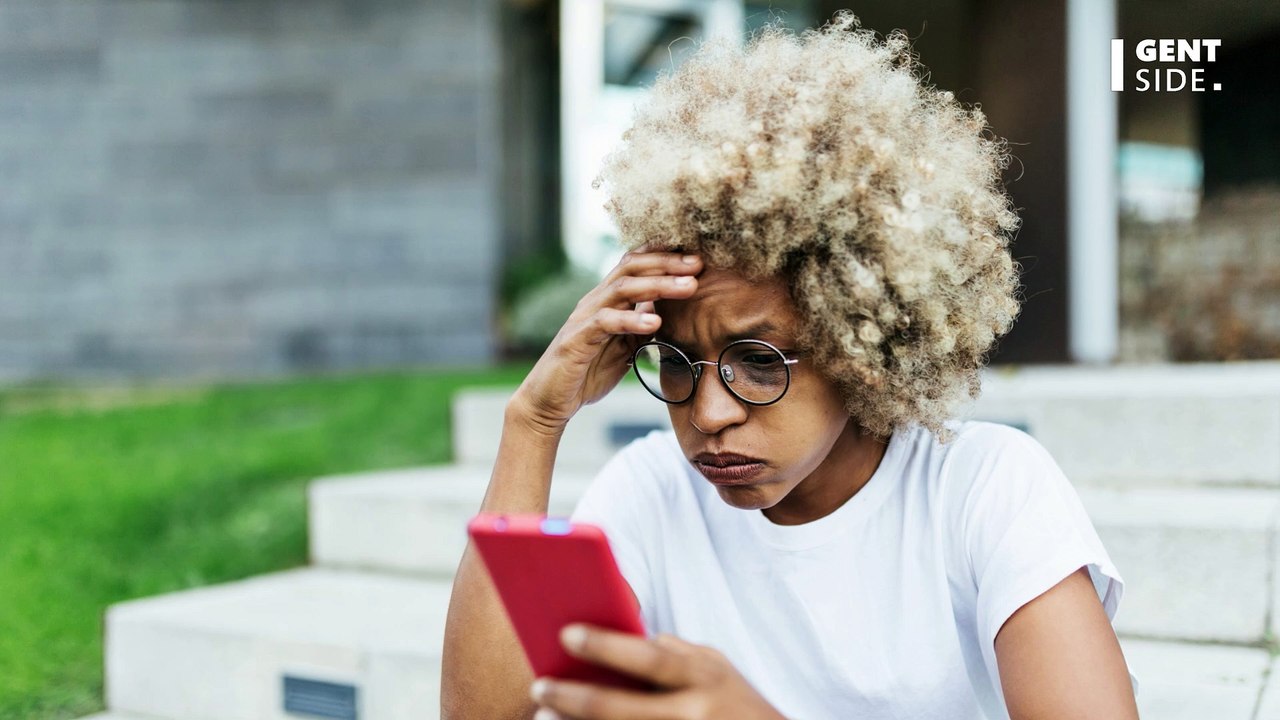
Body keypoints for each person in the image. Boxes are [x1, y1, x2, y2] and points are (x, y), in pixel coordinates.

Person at [442, 13, 1140, 720]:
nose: (709, 414)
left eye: (758, 361)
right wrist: (533, 422)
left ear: (860, 345)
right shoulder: (653, 493)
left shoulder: (980, 490)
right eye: (677, 362)